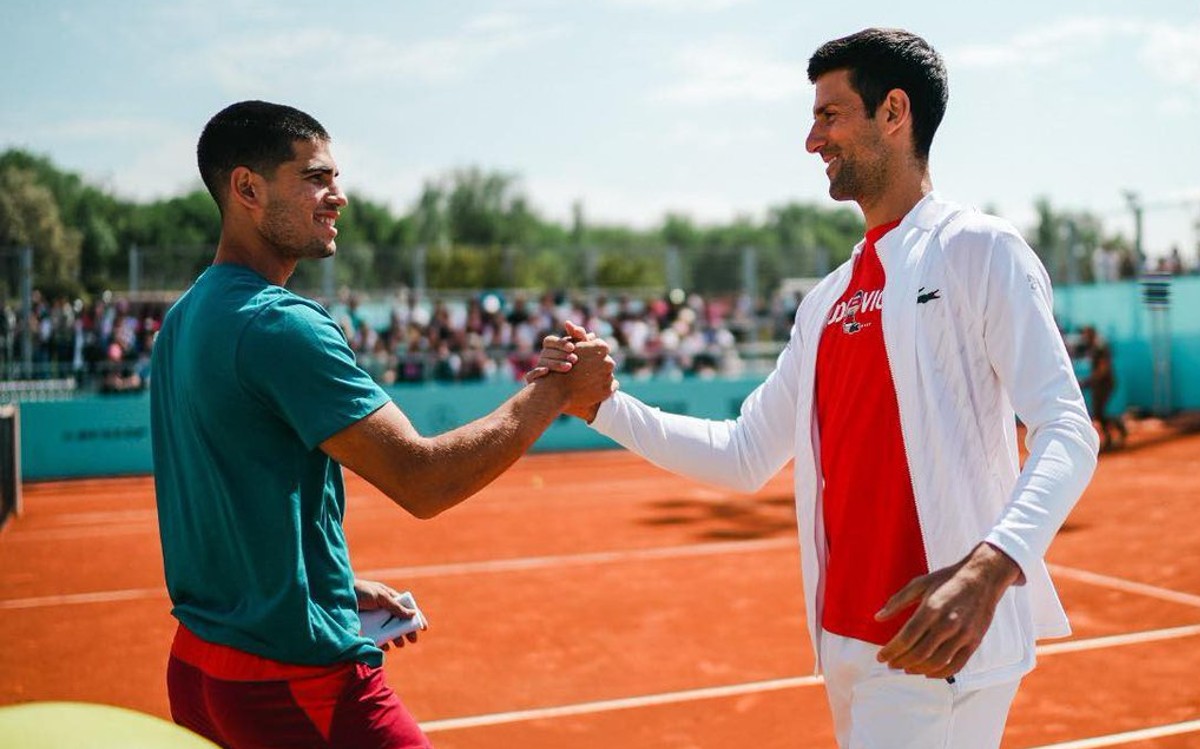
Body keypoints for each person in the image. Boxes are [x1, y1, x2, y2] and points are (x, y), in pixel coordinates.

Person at [535, 28, 1098, 749]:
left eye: (830, 115)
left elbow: (1067, 429)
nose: (811, 139)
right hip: (846, 644)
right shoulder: (825, 299)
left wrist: (988, 572)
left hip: (937, 647)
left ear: (894, 113)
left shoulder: (977, 249)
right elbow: (743, 453)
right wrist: (603, 407)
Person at [150, 100, 615, 749]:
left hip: (201, 668)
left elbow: (226, 499)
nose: (337, 196)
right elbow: (422, 479)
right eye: (315, 177)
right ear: (248, 189)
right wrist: (555, 393)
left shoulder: (184, 318)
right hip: (291, 681)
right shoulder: (279, 322)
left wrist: (328, 580)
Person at [1078, 325, 1127, 451]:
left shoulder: (1100, 347)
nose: (1084, 337)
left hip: (1105, 384)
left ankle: (1118, 428)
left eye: (1085, 334)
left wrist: (1089, 381)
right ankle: (1112, 435)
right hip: (1100, 384)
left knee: (1099, 413)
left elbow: (1103, 368)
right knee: (1099, 413)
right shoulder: (1095, 347)